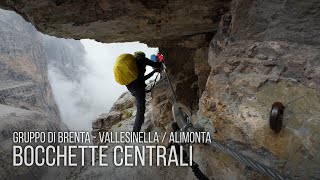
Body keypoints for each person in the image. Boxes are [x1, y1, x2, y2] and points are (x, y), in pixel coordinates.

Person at [126, 52, 162, 132]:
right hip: (138, 88)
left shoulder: (134, 64)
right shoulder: (142, 59)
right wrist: (160, 64)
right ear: (142, 56)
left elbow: (139, 79)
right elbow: (155, 64)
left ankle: (137, 129)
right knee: (140, 109)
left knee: (140, 107)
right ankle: (135, 132)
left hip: (131, 88)